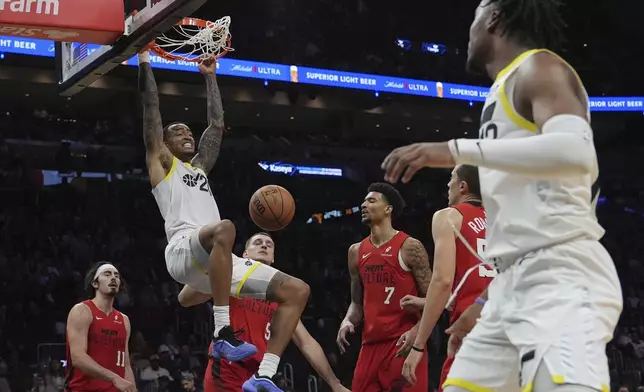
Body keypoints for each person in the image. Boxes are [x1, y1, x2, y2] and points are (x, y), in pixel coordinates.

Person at [381, 1, 623, 391]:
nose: (470, 26)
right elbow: (522, 231)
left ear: (494, 16)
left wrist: (457, 150)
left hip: (562, 277)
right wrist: (481, 304)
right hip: (511, 284)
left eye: (476, 12)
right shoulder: (501, 91)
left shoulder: (539, 68)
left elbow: (576, 154)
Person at [138, 50, 310, 390]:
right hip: (182, 251)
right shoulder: (161, 164)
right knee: (226, 228)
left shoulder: (199, 169)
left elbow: (216, 126)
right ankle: (221, 332)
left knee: (297, 291)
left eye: (188, 130)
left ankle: (264, 376)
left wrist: (210, 76)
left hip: (216, 259)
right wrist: (145, 58)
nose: (186, 134)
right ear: (165, 143)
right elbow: (151, 108)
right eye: (178, 132)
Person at [177, 232, 350, 392]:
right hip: (226, 370)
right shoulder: (230, 277)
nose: (264, 246)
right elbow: (185, 298)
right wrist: (215, 270)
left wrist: (334, 383)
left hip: (259, 375)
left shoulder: (283, 296)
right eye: (258, 243)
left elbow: (306, 343)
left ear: (273, 257)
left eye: (269, 244)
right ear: (245, 254)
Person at [400, 165, 494, 388]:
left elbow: (442, 281)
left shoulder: (448, 216)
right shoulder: (504, 220)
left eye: (451, 178)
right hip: (512, 328)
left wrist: (418, 346)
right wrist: (427, 301)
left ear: (463, 186)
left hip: (472, 331)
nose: (447, 184)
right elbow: (483, 281)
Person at [336, 182, 432, 392]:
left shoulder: (410, 246)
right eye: (363, 200)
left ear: (388, 209)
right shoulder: (356, 251)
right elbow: (356, 302)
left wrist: (416, 331)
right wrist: (347, 320)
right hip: (369, 346)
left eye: (371, 200)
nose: (363, 204)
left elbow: (435, 301)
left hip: (403, 344)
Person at [65, 262, 136, 392]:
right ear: (95, 283)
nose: (113, 278)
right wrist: (114, 378)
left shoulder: (124, 320)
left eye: (116, 276)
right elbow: (78, 357)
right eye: (107, 274)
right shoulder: (82, 311)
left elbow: (125, 364)